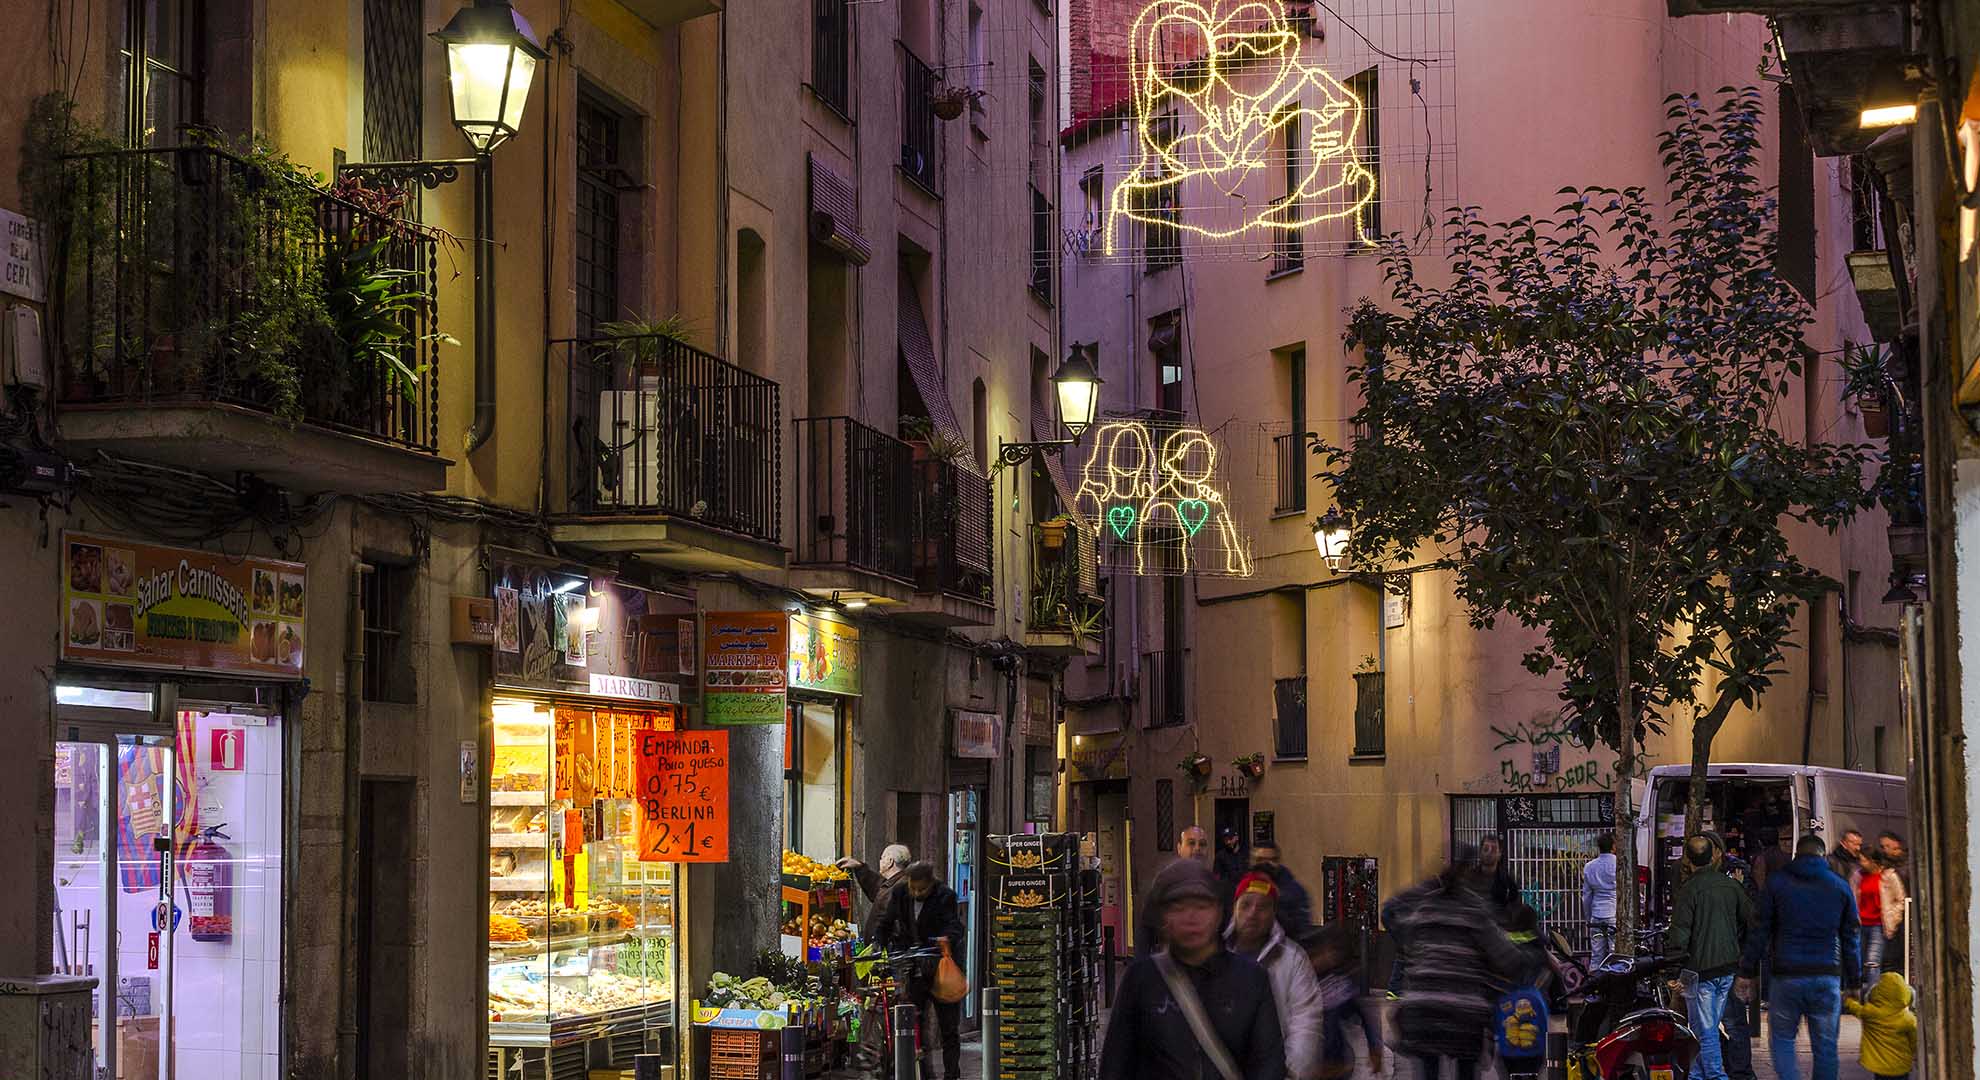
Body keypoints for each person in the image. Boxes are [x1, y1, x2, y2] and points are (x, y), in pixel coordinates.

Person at [1100, 859, 1287, 1080]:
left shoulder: (1251, 979)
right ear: (1164, 916)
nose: (1191, 918)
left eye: (1201, 907)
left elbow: (1269, 1064)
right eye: (1179, 907)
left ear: (1218, 912)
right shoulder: (1142, 979)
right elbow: (1115, 1065)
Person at [1387, 847, 1528, 1080]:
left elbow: (1399, 921)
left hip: (1423, 1010)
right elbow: (1507, 958)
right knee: (1466, 1068)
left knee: (1428, 1069)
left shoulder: (1424, 906)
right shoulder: (1474, 910)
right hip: (1464, 1012)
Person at [1737, 834, 1861, 1080]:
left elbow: (1760, 929)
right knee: (1825, 1047)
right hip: (1827, 976)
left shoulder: (1777, 883)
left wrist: (1747, 970)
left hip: (1787, 976)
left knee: (1782, 1040)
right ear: (1822, 855)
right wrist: (1854, 981)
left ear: (1797, 855)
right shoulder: (1839, 886)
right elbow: (1851, 936)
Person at [1667, 835, 1754, 1080]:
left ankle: (1716, 1076)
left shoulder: (1689, 890)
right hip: (1727, 967)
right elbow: (1751, 919)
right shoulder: (1731, 886)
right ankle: (1697, 1076)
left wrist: (1673, 971)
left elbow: (1679, 934)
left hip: (1700, 970)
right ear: (1713, 855)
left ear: (1687, 858)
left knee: (1704, 1030)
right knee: (1703, 1028)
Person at [872, 861, 968, 1080]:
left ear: (931, 883)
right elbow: (885, 923)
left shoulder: (946, 896)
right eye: (913, 888)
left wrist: (945, 939)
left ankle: (952, 1074)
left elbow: (954, 926)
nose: (917, 893)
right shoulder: (900, 893)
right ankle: (925, 1075)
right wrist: (879, 943)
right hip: (915, 968)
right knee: (917, 1022)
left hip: (941, 968)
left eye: (922, 889)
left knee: (948, 1027)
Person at [1226, 871, 1322, 1079]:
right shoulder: (1214, 955)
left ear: (1273, 912)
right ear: (1234, 909)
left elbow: (1306, 1021)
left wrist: (1289, 1073)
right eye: (1246, 905)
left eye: (1262, 907)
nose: (1252, 913)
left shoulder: (1293, 959)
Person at [1303, 923, 1382, 1080]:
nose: (1324, 958)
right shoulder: (1301, 983)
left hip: (1335, 1063)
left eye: (1331, 952)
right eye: (1318, 954)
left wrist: (1374, 1047)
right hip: (1307, 1061)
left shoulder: (1338, 985)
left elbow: (1364, 1015)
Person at [1844, 972, 1917, 1080]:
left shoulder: (1870, 1013)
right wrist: (1915, 1055)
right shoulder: (1908, 1019)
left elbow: (1855, 1008)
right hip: (1901, 1067)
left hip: (1880, 1068)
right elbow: (1914, 1041)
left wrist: (1847, 1000)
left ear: (1876, 992)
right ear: (1905, 995)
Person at [1855, 850, 1906, 993]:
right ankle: (1859, 995)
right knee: (1859, 961)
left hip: (1878, 924)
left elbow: (1900, 899)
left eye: (1864, 860)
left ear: (1873, 862)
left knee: (1873, 961)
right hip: (1860, 924)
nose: (1861, 863)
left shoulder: (1888, 877)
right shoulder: (1859, 876)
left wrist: (1892, 916)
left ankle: (1873, 996)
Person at [841, 843, 912, 942]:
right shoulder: (894, 882)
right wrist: (859, 867)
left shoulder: (900, 887)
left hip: (890, 950)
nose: (880, 861)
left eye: (882, 858)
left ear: (890, 861)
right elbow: (877, 886)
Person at [1250, 842, 1315, 938]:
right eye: (1260, 860)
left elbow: (1301, 929)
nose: (1265, 865)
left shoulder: (1294, 891)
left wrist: (1277, 899)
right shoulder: (1240, 887)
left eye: (1271, 860)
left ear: (1278, 862)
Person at [1582, 832, 1619, 966]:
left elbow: (1586, 896)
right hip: (1613, 916)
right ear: (1613, 846)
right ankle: (1613, 985)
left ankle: (1594, 984)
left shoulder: (1590, 866)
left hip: (1596, 917)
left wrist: (1588, 917)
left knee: (1596, 956)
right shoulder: (1618, 864)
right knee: (1614, 955)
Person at [1470, 836, 1522, 911]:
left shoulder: (1508, 883)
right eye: (1486, 849)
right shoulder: (1469, 878)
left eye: (1494, 850)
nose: (1489, 853)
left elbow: (1514, 912)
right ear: (1480, 852)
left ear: (1499, 854)